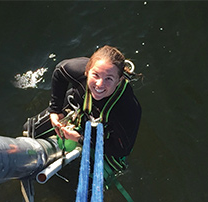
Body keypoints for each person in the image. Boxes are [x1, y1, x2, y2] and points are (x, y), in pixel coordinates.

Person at [26, 45, 142, 182]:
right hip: (77, 108)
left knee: (81, 184)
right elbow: (59, 71)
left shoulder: (128, 108)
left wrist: (80, 138)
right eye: (96, 75)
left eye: (109, 79)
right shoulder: (78, 70)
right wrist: (55, 110)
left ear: (120, 80)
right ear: (87, 71)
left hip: (102, 133)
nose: (99, 84)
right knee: (29, 131)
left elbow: (122, 150)